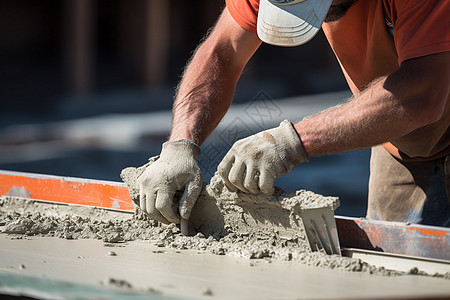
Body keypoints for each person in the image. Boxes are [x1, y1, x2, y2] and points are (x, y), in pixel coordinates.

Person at [136, 0, 450, 227]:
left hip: (422, 109)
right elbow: (222, 52)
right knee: (395, 272)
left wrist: (291, 141)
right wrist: (180, 146)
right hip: (404, 146)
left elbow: (423, 91)